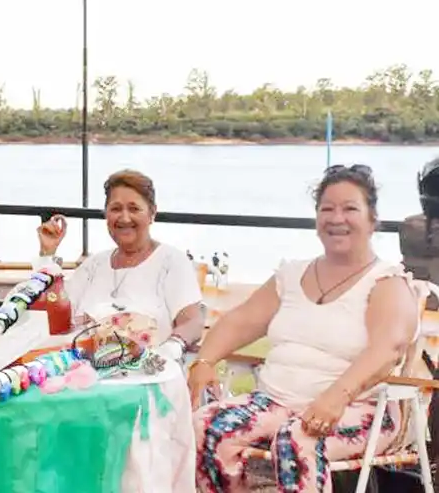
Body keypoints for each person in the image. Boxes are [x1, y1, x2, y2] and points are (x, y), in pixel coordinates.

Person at [189, 164, 420, 492]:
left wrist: (335, 397)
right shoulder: (292, 275)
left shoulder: (386, 282)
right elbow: (239, 321)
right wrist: (204, 361)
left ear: (372, 220)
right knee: (206, 426)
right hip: (275, 402)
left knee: (297, 440)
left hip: (358, 408)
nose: (337, 218)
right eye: (327, 209)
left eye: (350, 208)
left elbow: (388, 349)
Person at [36, 169, 204, 492]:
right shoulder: (94, 264)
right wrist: (48, 255)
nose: (124, 217)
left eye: (134, 208)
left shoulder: (171, 261)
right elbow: (57, 315)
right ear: (105, 215)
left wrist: (172, 347)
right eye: (115, 209)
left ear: (152, 213)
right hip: (86, 379)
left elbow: (193, 319)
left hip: (147, 380)